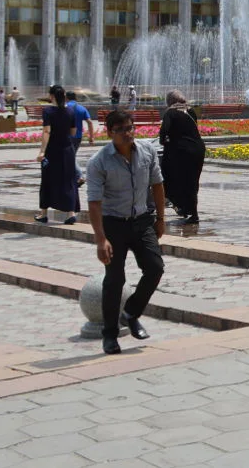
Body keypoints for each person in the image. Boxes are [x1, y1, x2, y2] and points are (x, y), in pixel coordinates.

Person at [87, 108, 166, 355]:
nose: (127, 133)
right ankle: (110, 336)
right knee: (115, 280)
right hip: (113, 224)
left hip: (142, 221)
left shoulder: (147, 151)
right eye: (120, 130)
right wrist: (101, 239)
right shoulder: (99, 162)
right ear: (109, 133)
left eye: (130, 127)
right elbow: (94, 203)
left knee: (155, 267)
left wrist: (161, 219)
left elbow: (158, 184)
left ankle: (131, 313)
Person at [35, 84, 80, 225]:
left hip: (52, 150)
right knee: (68, 179)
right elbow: (73, 132)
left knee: (47, 179)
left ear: (51, 96)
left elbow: (47, 131)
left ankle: (43, 214)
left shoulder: (48, 111)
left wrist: (42, 151)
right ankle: (70, 213)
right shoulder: (71, 111)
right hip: (67, 150)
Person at [159, 90, 206, 225]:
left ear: (170, 101)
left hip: (182, 151)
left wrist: (165, 141)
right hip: (198, 149)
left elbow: (164, 133)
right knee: (192, 182)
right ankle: (190, 210)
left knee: (170, 176)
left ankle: (182, 206)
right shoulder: (191, 111)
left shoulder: (170, 112)